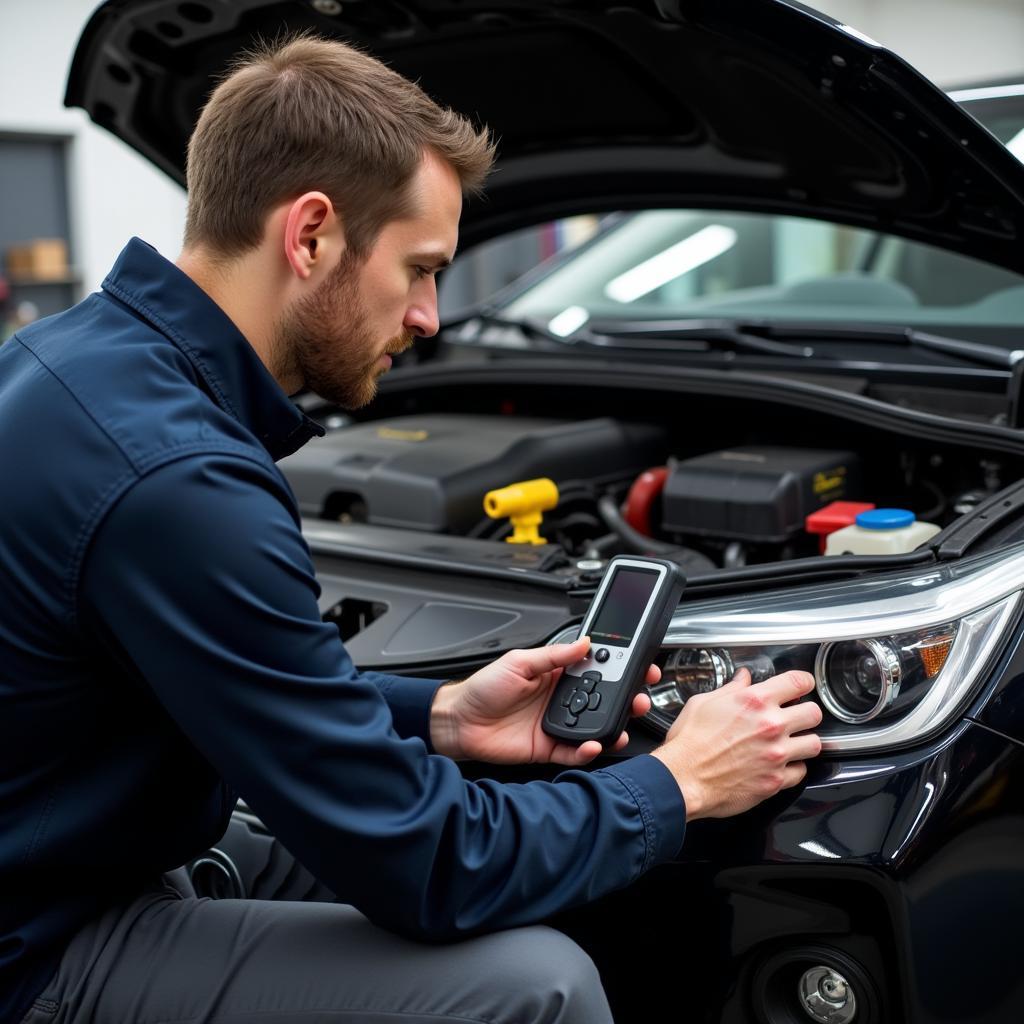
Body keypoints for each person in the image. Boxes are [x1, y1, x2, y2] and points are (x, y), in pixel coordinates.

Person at [0, 35, 822, 1024]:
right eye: (421, 269)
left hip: (80, 847)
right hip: (42, 945)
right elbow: (427, 861)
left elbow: (241, 683)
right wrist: (675, 784)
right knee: (535, 987)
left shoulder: (70, 361)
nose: (431, 316)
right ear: (309, 236)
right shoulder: (179, 483)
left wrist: (441, 716)